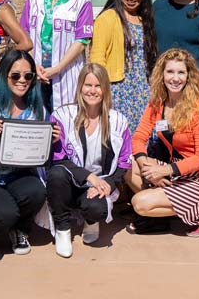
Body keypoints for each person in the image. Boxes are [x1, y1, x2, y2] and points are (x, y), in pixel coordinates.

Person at [0, 49, 53, 256]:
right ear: (4, 74)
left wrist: (52, 140)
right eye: (15, 75)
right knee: (6, 213)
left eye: (28, 75)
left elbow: (46, 154)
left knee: (37, 192)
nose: (22, 80)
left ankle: (20, 229)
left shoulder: (38, 110)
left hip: (20, 175)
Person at [124, 49, 199, 237]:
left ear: (189, 76)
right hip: (175, 173)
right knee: (127, 165)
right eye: (170, 72)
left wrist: (164, 171)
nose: (175, 78)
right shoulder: (157, 103)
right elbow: (139, 137)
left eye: (181, 72)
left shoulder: (197, 108)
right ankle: (160, 218)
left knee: (139, 203)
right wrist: (148, 169)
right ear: (162, 74)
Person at [48, 63, 133, 258]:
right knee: (56, 174)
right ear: (80, 87)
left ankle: (91, 221)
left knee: (96, 209)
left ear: (105, 89)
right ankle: (62, 229)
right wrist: (89, 178)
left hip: (99, 183)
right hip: (70, 182)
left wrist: (105, 184)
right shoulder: (62, 116)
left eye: (98, 86)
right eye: (88, 85)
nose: (92, 91)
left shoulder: (119, 121)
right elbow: (58, 159)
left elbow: (124, 163)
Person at [20, 0, 93, 114]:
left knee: (65, 121)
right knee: (37, 120)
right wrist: (33, 65)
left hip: (66, 72)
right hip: (37, 70)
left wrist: (57, 68)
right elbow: (25, 34)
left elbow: (82, 41)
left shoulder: (81, 0)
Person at [90, 0, 157, 132]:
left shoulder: (145, 20)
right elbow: (97, 58)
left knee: (144, 135)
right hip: (119, 90)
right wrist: (100, 89)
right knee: (121, 135)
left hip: (143, 89)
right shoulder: (107, 17)